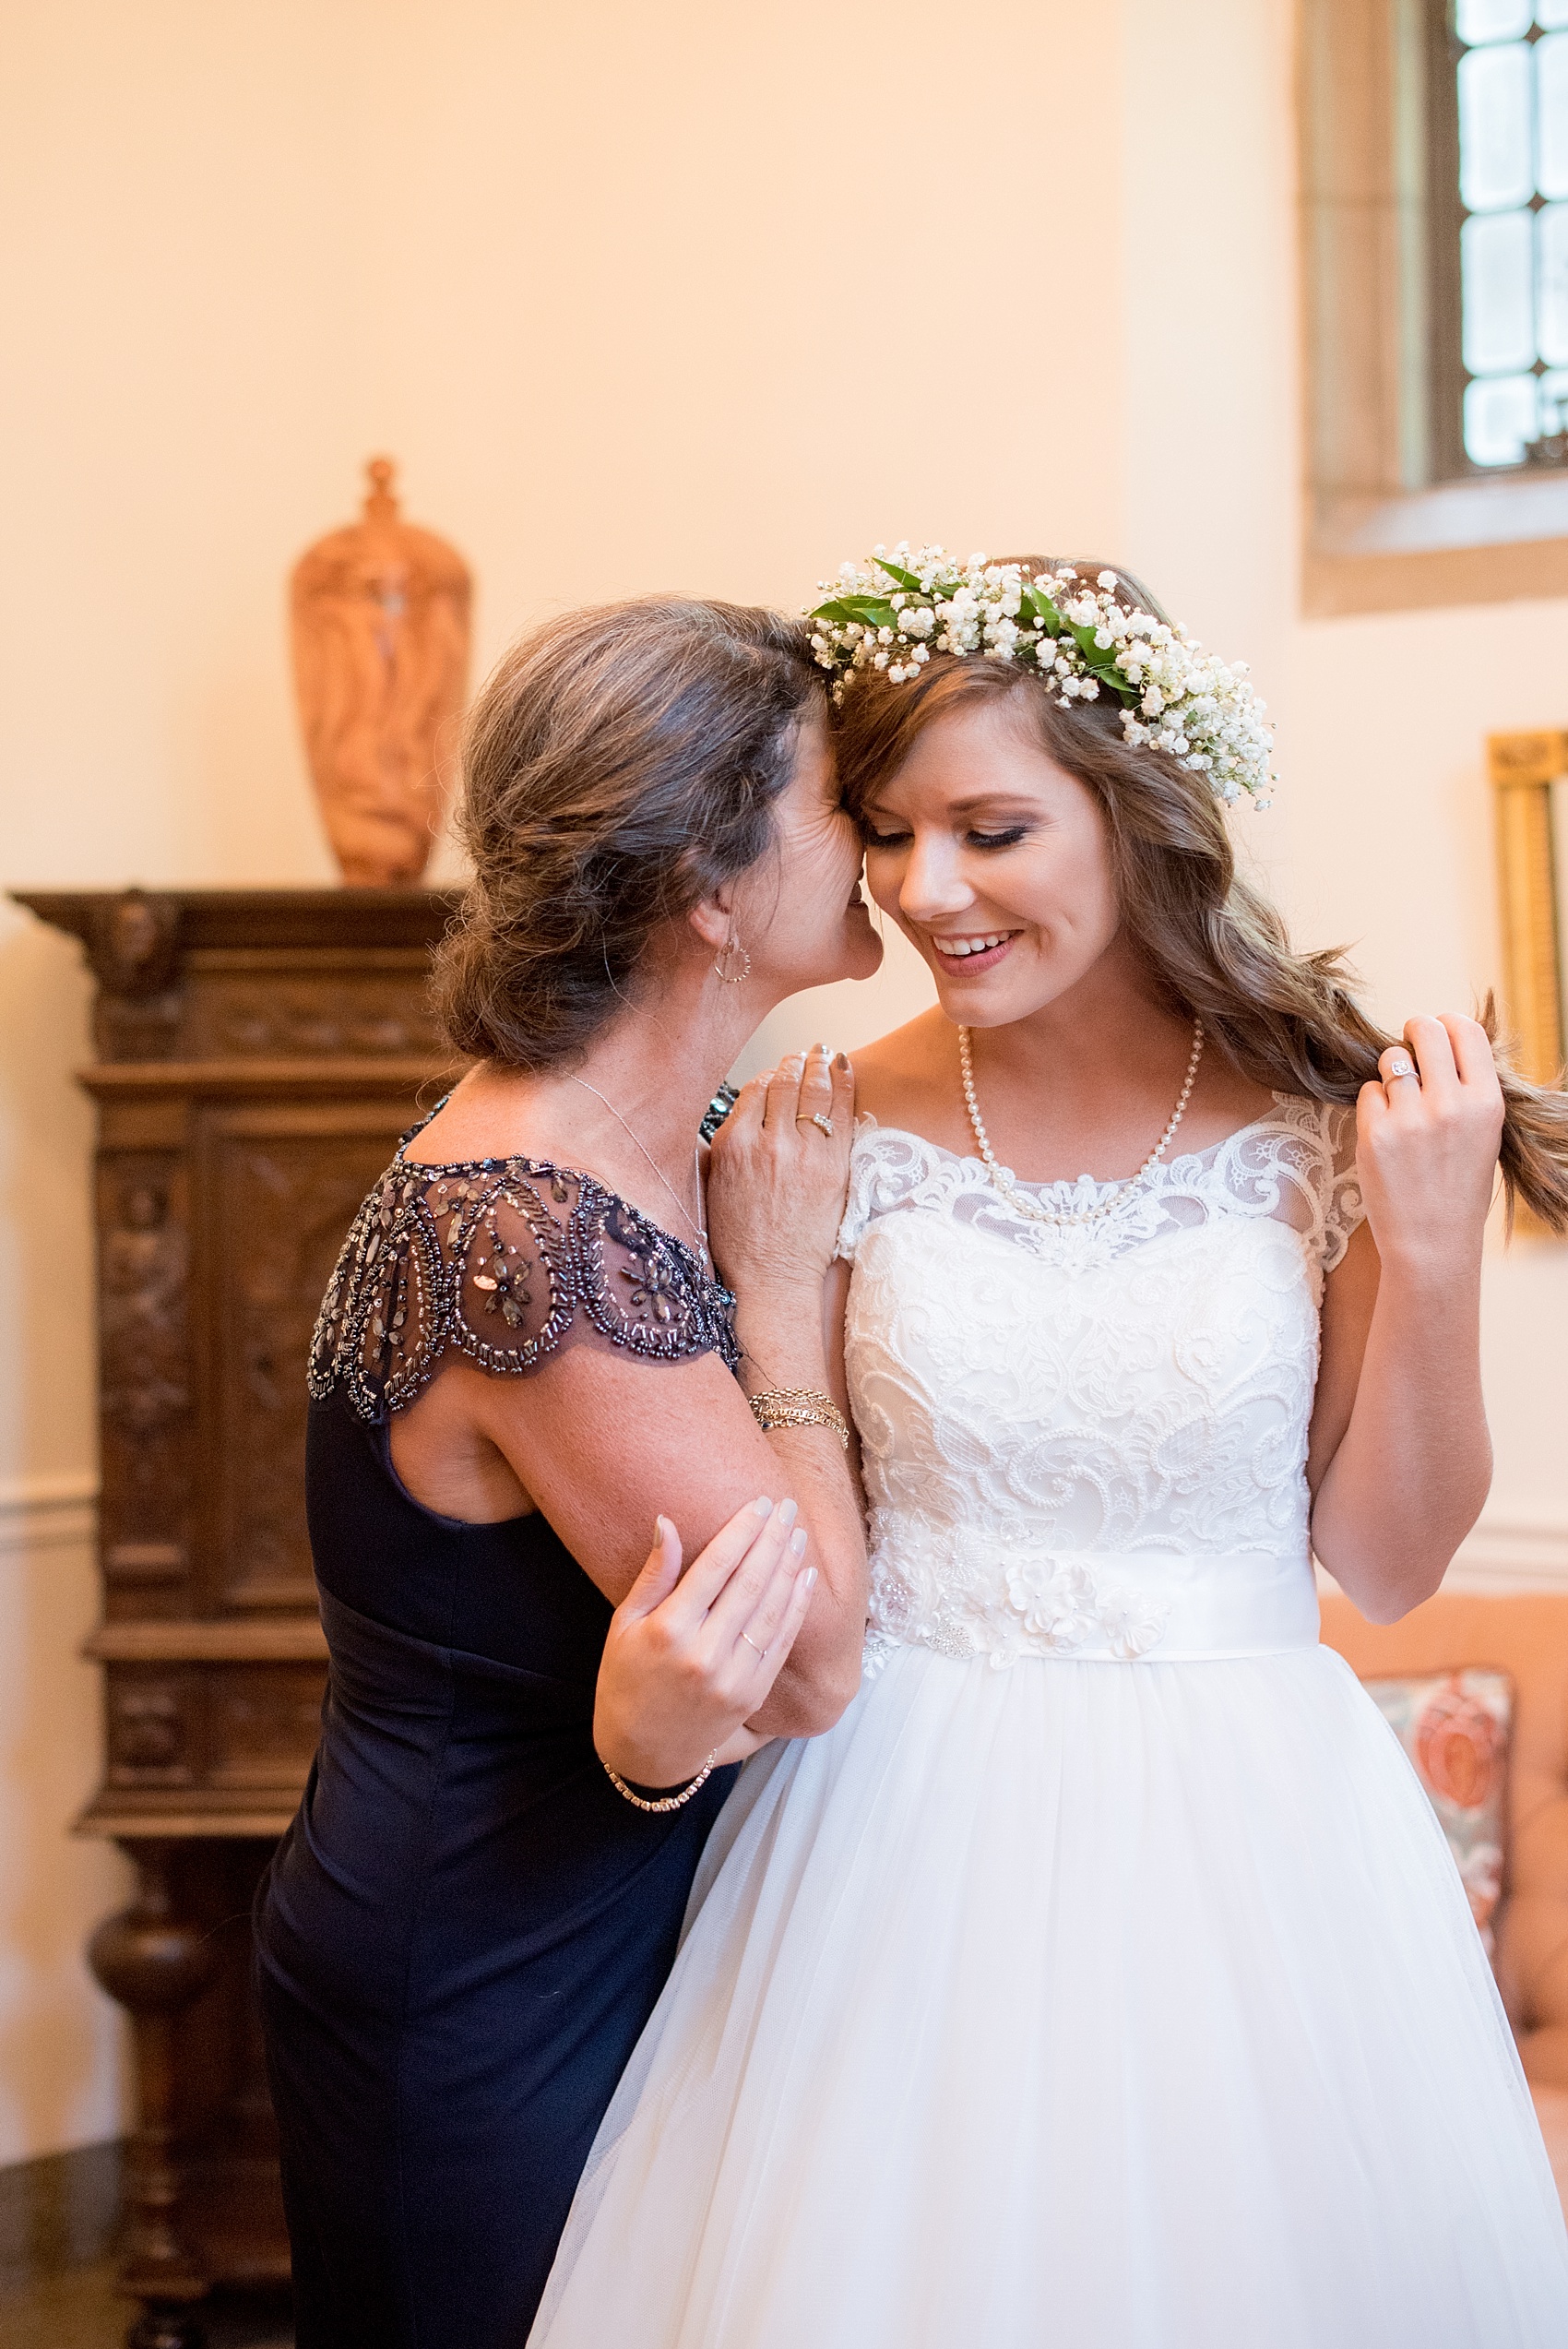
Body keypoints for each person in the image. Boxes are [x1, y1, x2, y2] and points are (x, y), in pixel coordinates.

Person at [529, 551, 1568, 2348]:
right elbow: (791, 1557)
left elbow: (1388, 1560)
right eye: (887, 830)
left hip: (1259, 1853)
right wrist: (771, 1289)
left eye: (991, 830)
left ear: (1135, 814)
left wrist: (1424, 1243)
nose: (926, 890)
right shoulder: (813, 1126)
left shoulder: (1322, 1122)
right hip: (888, 1845)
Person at [254, 594, 882, 2349]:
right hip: (473, 1974)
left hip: (560, 1918)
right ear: (707, 875)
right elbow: (812, 1651)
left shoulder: (623, 1144)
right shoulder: (527, 1227)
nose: (886, 840)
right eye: (848, 799)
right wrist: (779, 1300)